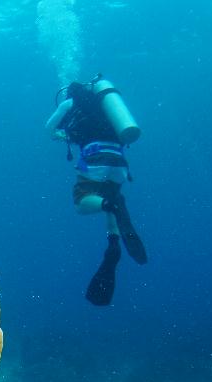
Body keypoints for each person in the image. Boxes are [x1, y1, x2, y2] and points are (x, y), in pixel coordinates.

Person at [46, 75, 148, 306]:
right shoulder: (107, 104)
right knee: (111, 195)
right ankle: (113, 241)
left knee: (82, 201)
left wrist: (61, 135)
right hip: (119, 162)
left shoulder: (70, 103)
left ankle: (109, 205)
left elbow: (49, 128)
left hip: (95, 157)